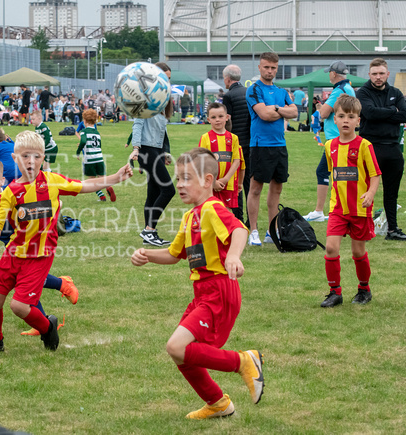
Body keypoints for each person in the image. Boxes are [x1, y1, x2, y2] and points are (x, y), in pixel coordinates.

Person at [131, 147, 263, 420]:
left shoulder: (212, 208)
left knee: (176, 347)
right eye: (177, 178)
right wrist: (146, 255)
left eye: (186, 178)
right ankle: (218, 403)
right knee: (181, 354)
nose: (179, 184)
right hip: (202, 294)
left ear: (206, 181)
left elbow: (239, 229)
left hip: (219, 291)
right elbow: (173, 254)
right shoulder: (190, 216)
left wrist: (234, 256)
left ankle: (243, 361)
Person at [0, 130, 133, 354]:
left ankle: (47, 326)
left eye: (37, 156)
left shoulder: (52, 182)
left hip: (39, 257)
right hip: (13, 254)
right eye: (25, 156)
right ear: (14, 158)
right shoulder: (10, 192)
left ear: (43, 158)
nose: (31, 161)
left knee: (19, 306)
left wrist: (116, 178)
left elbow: (84, 185)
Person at [0, 159, 79, 328]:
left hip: (34, 248)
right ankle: (44, 319)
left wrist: (54, 205)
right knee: (23, 288)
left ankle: (61, 287)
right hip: (12, 252)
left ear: (2, 181)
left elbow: (41, 206)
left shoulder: (15, 194)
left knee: (26, 286)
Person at [320, 95, 381, 308]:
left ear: (358, 121)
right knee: (330, 248)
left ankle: (364, 289)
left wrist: (371, 193)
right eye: (341, 116)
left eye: (351, 116)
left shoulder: (365, 146)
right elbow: (333, 173)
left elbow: (375, 174)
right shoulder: (330, 146)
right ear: (334, 119)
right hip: (338, 208)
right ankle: (335, 292)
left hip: (360, 208)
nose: (346, 120)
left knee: (357, 251)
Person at [357, 58, 406, 242]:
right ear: (369, 74)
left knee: (391, 191)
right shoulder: (363, 92)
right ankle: (361, 227)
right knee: (363, 189)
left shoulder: (395, 92)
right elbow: (369, 113)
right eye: (374, 74)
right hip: (370, 147)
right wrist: (392, 111)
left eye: (381, 73)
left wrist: (384, 112)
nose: (378, 77)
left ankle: (393, 229)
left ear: (388, 74)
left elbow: (404, 115)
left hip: (393, 148)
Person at [245, 52, 297, 246]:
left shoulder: (282, 91)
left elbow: (294, 112)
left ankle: (271, 231)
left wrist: (275, 108)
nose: (270, 71)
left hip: (279, 146)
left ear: (277, 68)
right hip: (260, 146)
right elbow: (264, 115)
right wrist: (280, 111)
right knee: (256, 188)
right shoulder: (254, 90)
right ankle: (254, 231)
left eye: (273, 68)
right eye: (266, 67)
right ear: (259, 67)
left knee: (277, 189)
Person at [129, 62, 176, 247]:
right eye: (164, 78)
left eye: (169, 79)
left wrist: (164, 152)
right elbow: (138, 125)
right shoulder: (145, 98)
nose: (167, 82)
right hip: (146, 150)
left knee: (154, 191)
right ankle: (149, 230)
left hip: (155, 149)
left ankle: (150, 233)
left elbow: (162, 132)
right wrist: (136, 148)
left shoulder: (162, 99)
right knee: (168, 189)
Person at [303, 61, 356, 223]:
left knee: (333, 174)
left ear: (333, 74)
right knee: (340, 174)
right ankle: (342, 210)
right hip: (344, 138)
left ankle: (325, 211)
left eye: (329, 73)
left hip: (336, 140)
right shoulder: (349, 88)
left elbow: (324, 113)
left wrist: (319, 108)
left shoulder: (339, 90)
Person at [198, 103, 242, 211]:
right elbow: (202, 163)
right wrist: (213, 182)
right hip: (210, 185)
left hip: (227, 184)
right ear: (208, 119)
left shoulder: (233, 138)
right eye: (213, 117)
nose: (217, 120)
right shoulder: (205, 138)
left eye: (220, 116)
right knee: (210, 212)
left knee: (225, 213)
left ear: (227, 117)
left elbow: (237, 161)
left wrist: (225, 179)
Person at [222, 64, 251, 223]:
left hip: (236, 142)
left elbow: (228, 119)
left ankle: (238, 217)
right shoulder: (248, 93)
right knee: (248, 184)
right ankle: (250, 220)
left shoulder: (228, 96)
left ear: (227, 78)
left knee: (236, 183)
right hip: (250, 142)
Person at [75, 108, 116, 202]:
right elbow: (99, 145)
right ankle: (108, 187)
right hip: (99, 158)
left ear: (84, 121)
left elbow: (84, 141)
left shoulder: (84, 132)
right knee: (101, 178)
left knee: (92, 180)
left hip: (90, 159)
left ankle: (102, 197)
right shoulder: (97, 133)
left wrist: (78, 151)